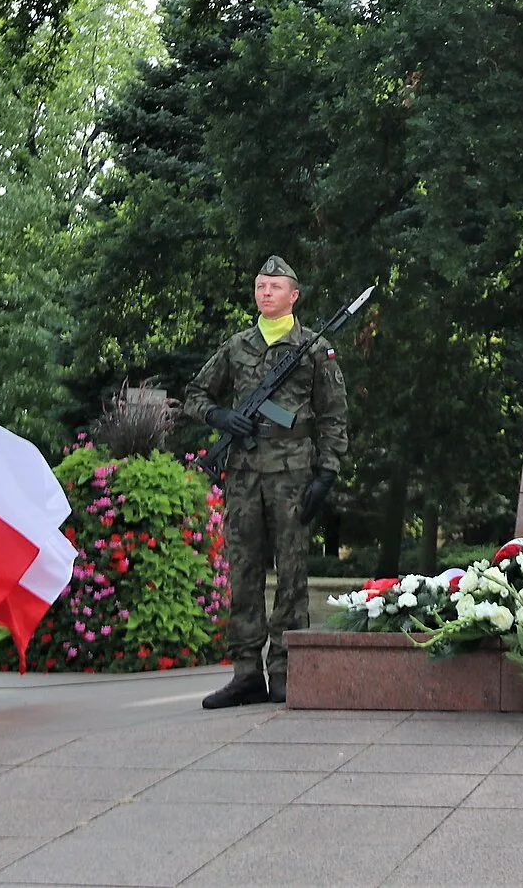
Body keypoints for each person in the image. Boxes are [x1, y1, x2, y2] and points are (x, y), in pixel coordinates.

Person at [185, 256, 347, 707]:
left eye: (275, 286)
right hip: (243, 474)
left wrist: (327, 473)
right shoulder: (237, 347)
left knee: (292, 576)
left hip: (293, 474)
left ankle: (286, 670)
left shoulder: (315, 349)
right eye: (260, 285)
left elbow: (334, 416)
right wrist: (219, 415)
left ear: (294, 295)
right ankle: (246, 673)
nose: (265, 293)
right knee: (244, 573)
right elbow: (195, 396)